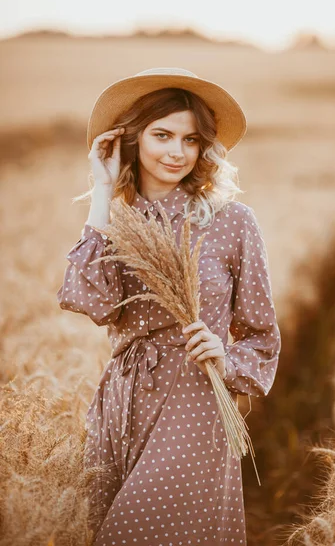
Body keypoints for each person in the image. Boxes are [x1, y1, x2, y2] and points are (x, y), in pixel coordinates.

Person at [56, 67, 281, 545]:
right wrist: (101, 191)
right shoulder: (116, 224)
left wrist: (224, 354)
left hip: (195, 398)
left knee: (131, 533)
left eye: (192, 139)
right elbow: (86, 298)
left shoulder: (233, 221)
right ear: (132, 140)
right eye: (162, 135)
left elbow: (262, 337)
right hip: (122, 402)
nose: (178, 151)